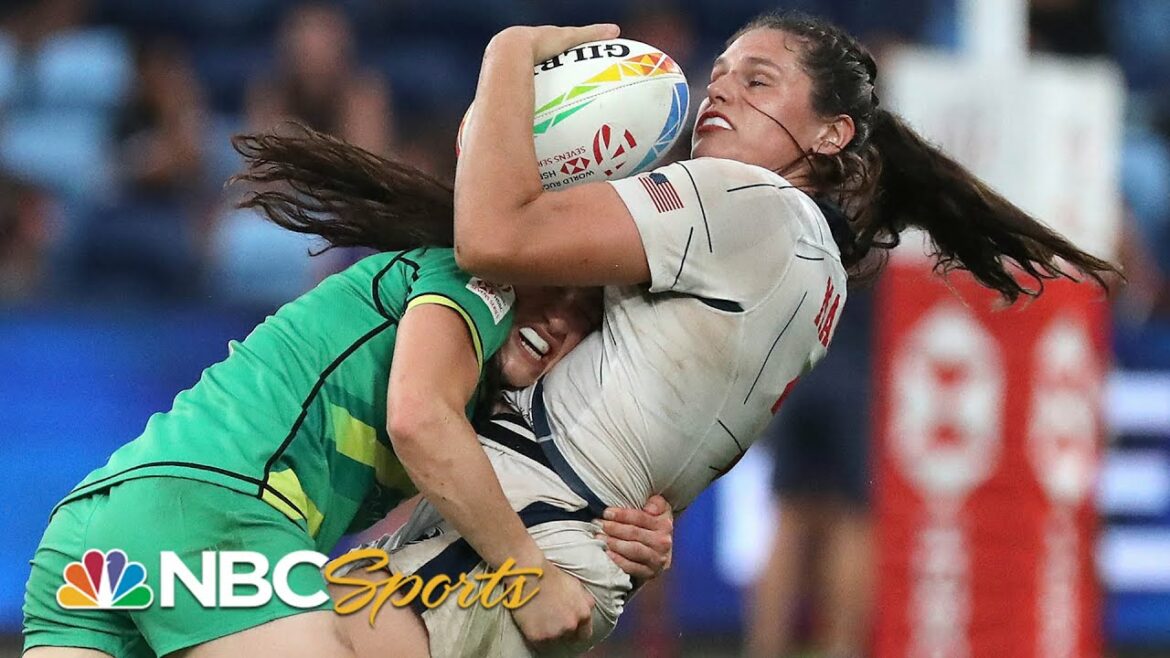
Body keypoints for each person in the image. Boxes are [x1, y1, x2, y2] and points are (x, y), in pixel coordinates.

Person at [317, 10, 1119, 657]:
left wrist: (508, 53)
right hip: (557, 547)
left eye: (758, 80)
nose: (719, 91)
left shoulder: (742, 200)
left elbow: (489, 236)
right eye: (721, 75)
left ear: (833, 134)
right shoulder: (818, 273)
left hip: (522, 547)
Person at [20, 127, 675, 658]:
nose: (562, 318)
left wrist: (620, 533)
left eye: (589, 319)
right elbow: (418, 422)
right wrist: (530, 573)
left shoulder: (478, 396)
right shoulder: (471, 281)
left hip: (99, 531)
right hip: (209, 515)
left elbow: (463, 504)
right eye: (557, 284)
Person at [746, 289, 875, 658]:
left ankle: (763, 648)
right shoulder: (888, 237)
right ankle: (841, 648)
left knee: (787, 519)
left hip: (801, 367)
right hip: (860, 373)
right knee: (856, 520)